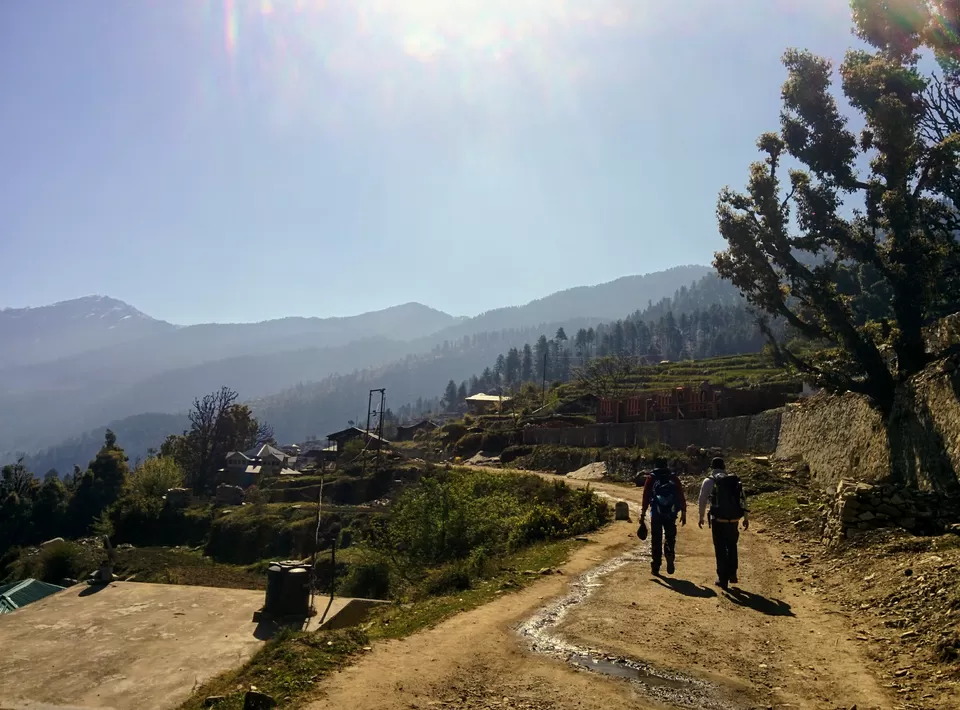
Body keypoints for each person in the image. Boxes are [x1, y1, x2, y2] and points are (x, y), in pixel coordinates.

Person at [698, 457, 749, 590]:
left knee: (720, 548)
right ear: (724, 467)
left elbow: (702, 499)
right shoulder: (734, 481)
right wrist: (746, 518)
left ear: (712, 467)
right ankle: (732, 573)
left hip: (718, 520)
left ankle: (722, 578)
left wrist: (701, 517)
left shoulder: (709, 481)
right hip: (734, 520)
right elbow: (743, 499)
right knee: (732, 545)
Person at [640, 457, 687, 576]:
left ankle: (656, 565)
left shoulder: (651, 478)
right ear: (666, 465)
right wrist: (683, 511)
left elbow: (646, 496)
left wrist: (643, 513)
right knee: (670, 536)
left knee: (656, 538)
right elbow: (680, 495)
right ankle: (669, 551)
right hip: (671, 513)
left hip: (656, 512)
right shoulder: (673, 477)